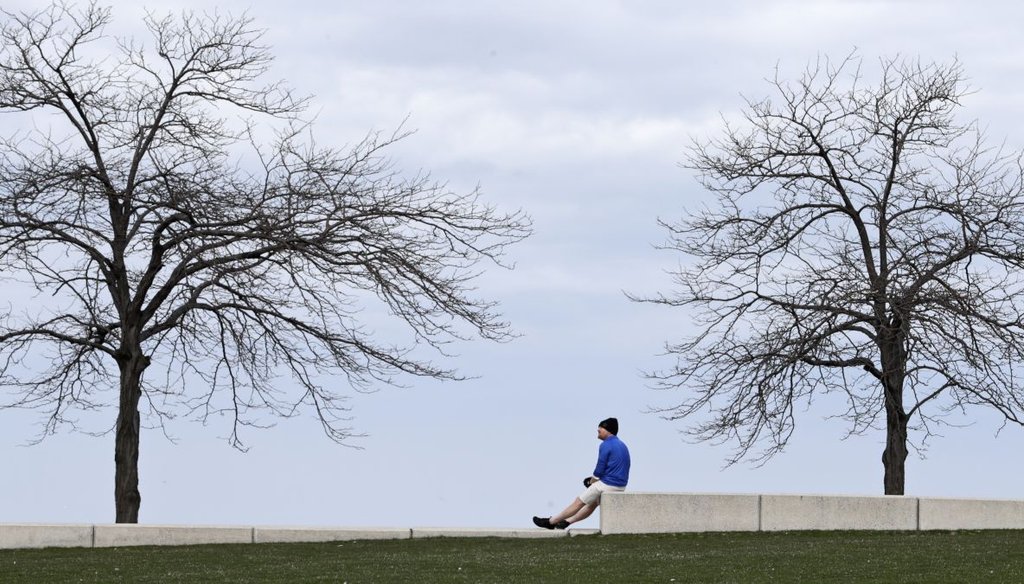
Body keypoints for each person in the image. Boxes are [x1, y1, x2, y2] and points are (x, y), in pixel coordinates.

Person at [533, 417, 630, 529]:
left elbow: (599, 469)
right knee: (591, 504)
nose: (598, 430)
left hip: (608, 484)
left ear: (608, 430)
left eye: (601, 428)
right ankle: (566, 522)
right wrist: (594, 481)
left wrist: (591, 481)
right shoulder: (622, 445)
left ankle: (550, 522)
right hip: (620, 486)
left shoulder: (605, 445)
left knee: (578, 502)